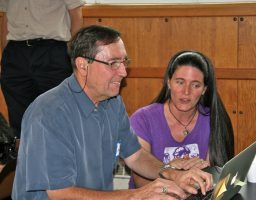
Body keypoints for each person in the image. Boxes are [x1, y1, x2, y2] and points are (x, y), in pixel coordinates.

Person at [12, 25, 213, 199]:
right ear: (83, 65)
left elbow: (135, 156)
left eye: (124, 62)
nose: (123, 72)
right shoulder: (48, 113)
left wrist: (172, 173)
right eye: (113, 63)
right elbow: (60, 193)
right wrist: (137, 195)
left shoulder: (112, 102)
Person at [129, 50, 234, 188]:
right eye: (180, 82)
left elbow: (218, 179)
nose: (186, 92)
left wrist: (203, 172)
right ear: (168, 83)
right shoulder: (143, 119)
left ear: (204, 90)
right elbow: (140, 182)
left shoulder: (213, 120)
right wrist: (171, 169)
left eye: (195, 85)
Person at [0, 0, 84, 139]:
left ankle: (58, 158)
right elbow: (5, 17)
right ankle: (23, 158)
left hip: (52, 51)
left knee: (57, 112)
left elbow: (76, 13)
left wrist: (71, 52)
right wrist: (5, 53)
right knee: (18, 116)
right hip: (16, 52)